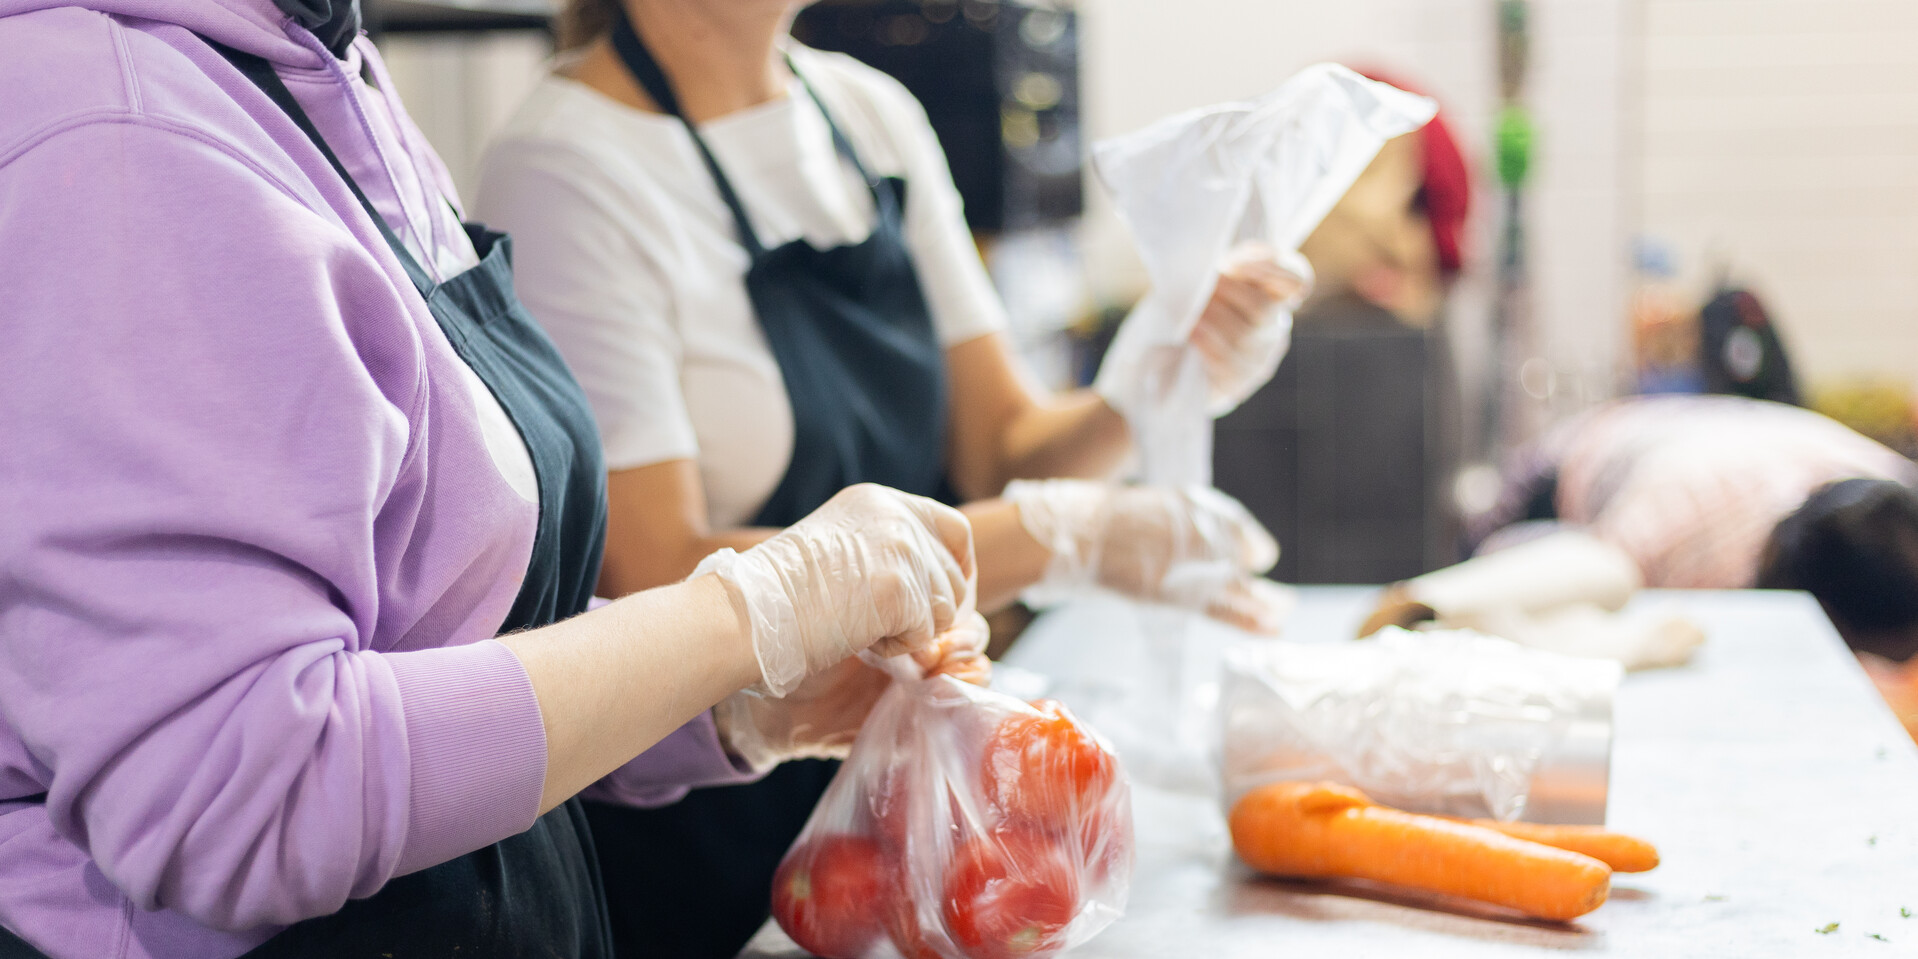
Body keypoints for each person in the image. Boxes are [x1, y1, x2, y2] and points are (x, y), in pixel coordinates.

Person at [0, 1, 987, 957]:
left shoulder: (321, 68)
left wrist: (729, 700)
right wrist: (749, 614)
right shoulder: (119, 142)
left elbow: (442, 627)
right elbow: (248, 797)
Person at [473, 1, 1309, 953]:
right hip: (715, 814)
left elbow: (1004, 449)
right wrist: (1062, 535)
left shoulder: (868, 116)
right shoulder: (565, 166)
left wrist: (1151, 376)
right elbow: (651, 565)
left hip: (923, 807)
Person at [1472, 395, 1918, 657]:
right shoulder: (1671, 533)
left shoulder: (1895, 493)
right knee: (1481, 617)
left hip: (1697, 442)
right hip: (1567, 466)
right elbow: (1603, 628)